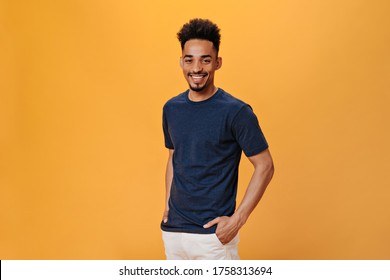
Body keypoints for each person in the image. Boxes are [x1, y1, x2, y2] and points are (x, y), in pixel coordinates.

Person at [161, 18, 274, 260]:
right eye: (189, 59)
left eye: (205, 59)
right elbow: (173, 156)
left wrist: (237, 220)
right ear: (181, 61)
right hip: (174, 235)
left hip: (212, 237)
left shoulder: (236, 112)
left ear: (218, 62)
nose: (196, 68)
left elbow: (265, 165)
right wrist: (168, 207)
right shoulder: (171, 109)